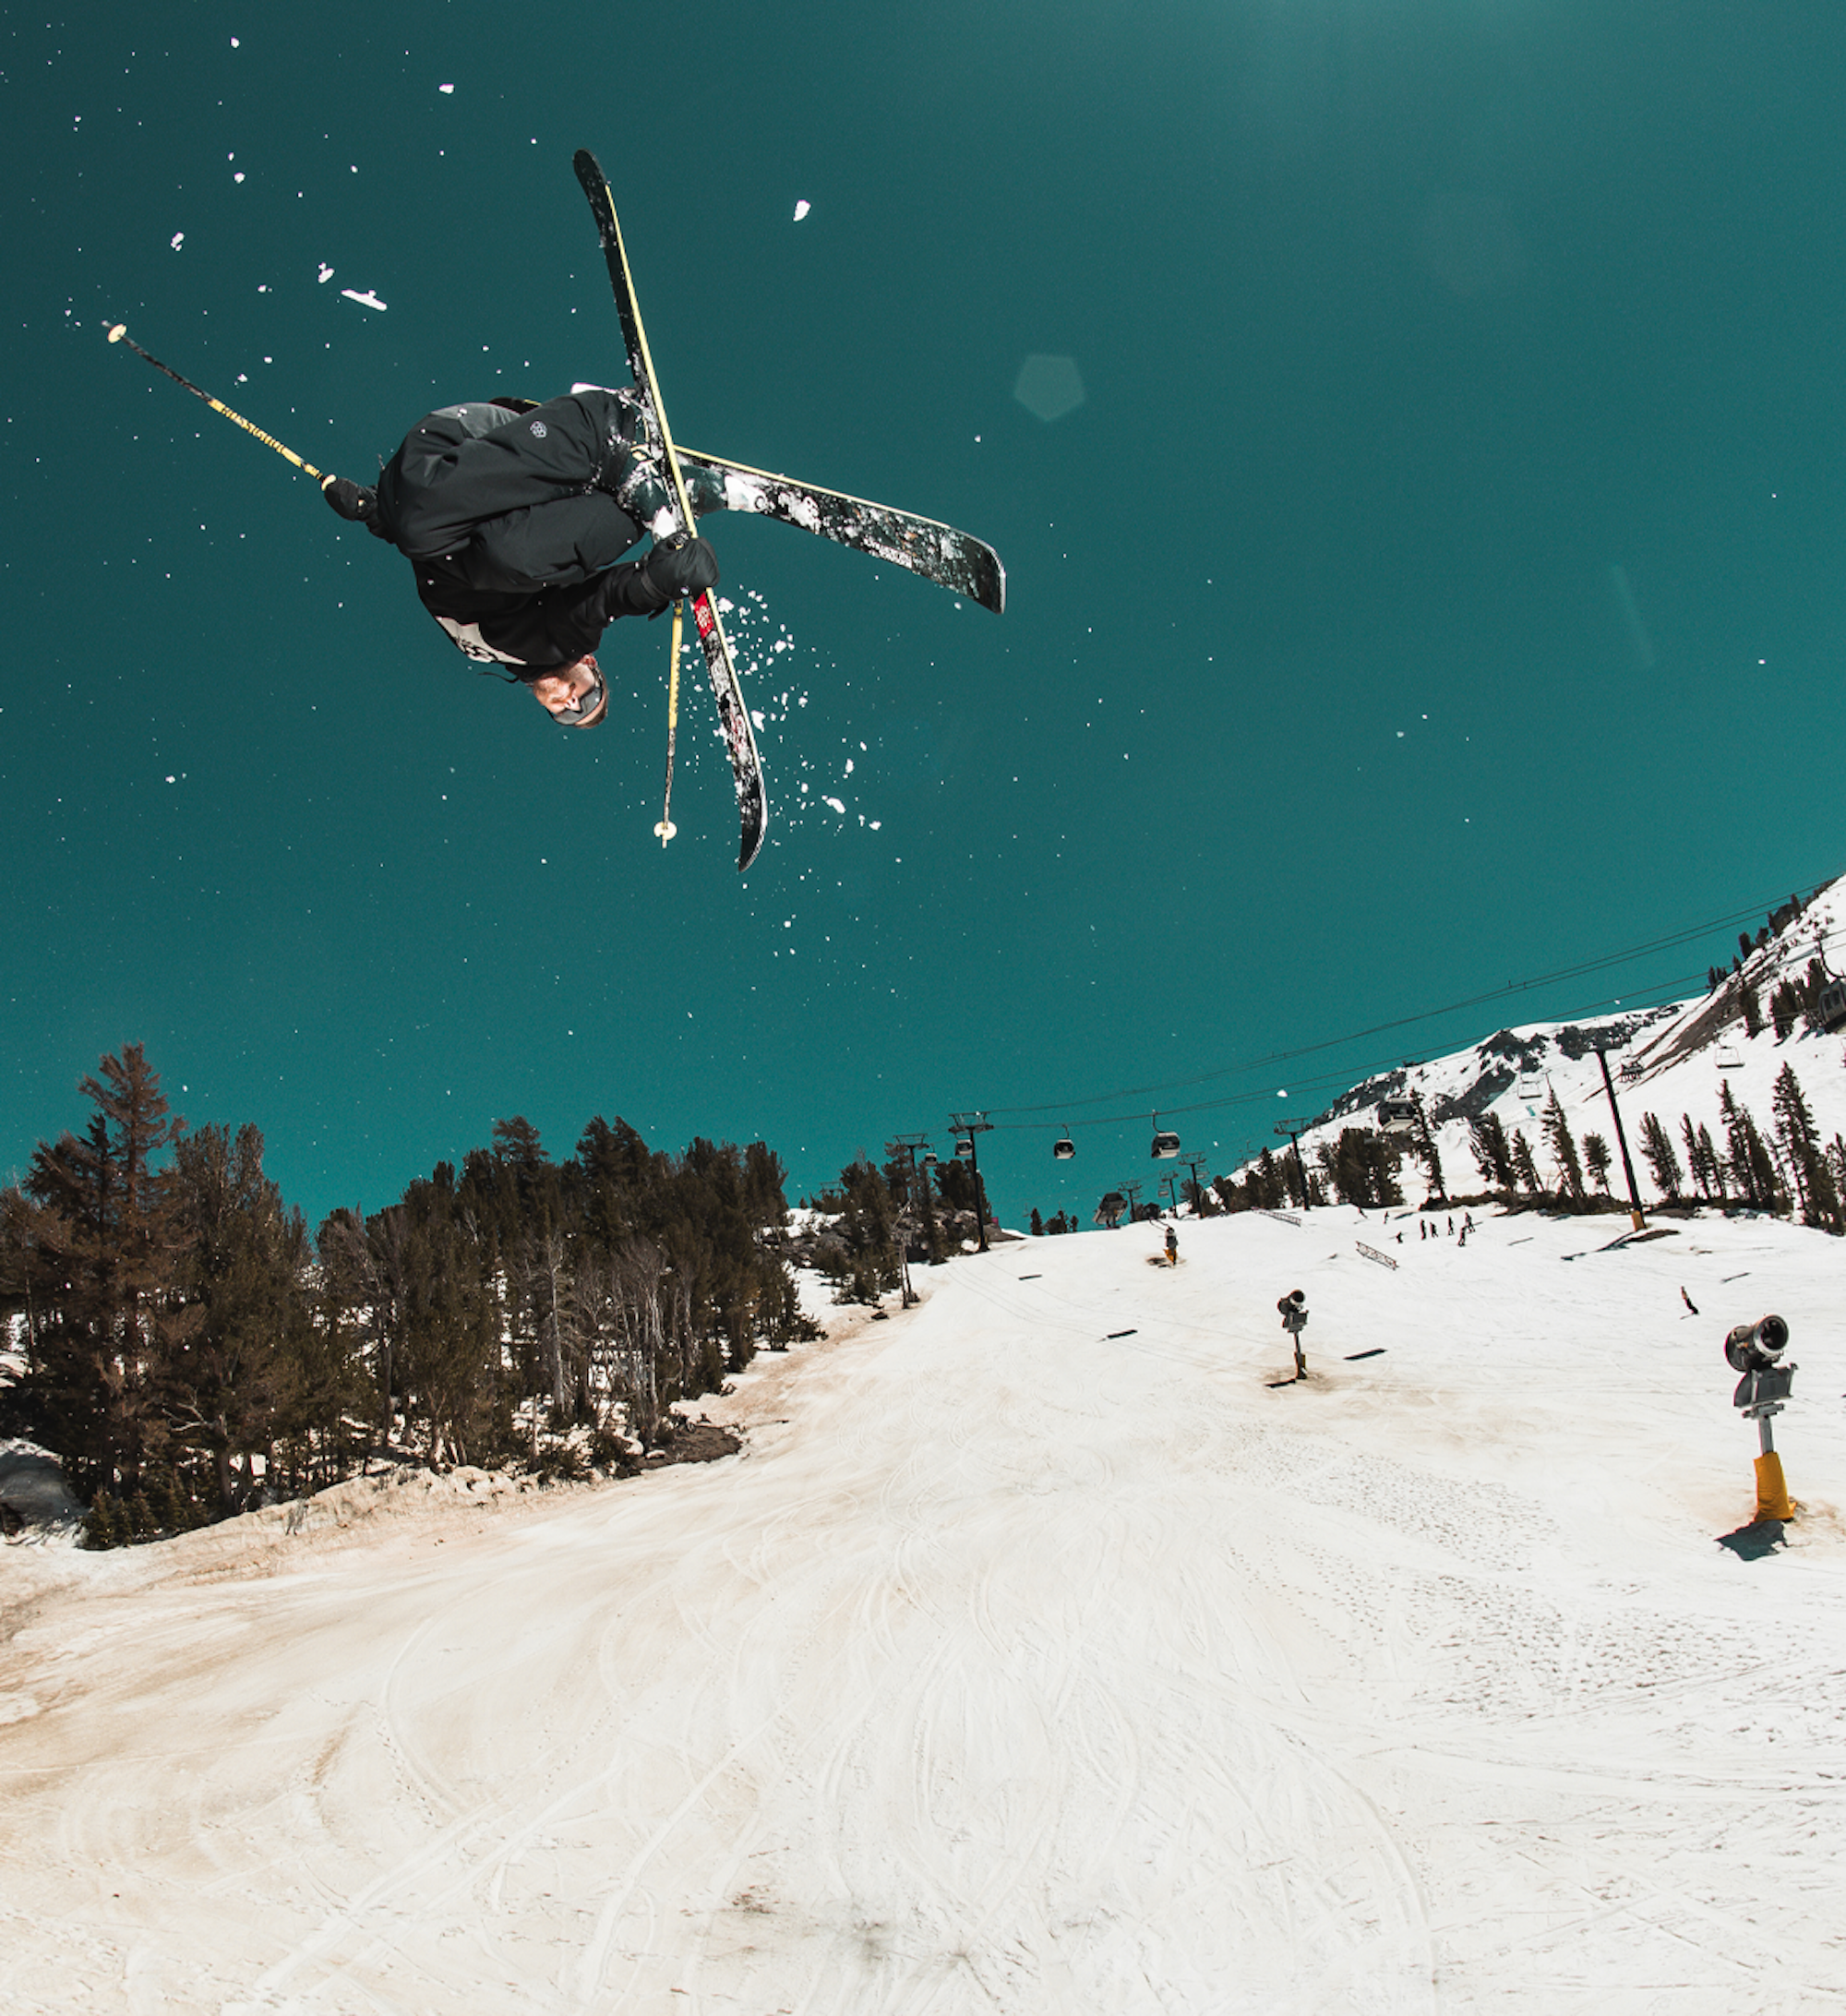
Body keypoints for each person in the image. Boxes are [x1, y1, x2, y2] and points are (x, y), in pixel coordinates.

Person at [322, 387, 721, 727]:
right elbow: (600, 602)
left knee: (424, 527)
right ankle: (607, 436)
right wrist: (654, 584)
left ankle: (628, 475)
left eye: (565, 715)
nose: (569, 702)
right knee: (509, 555)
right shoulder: (561, 641)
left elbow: (442, 566)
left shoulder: (506, 646)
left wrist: (373, 513)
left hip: (447, 486)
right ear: (590, 664)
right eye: (586, 696)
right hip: (499, 438)